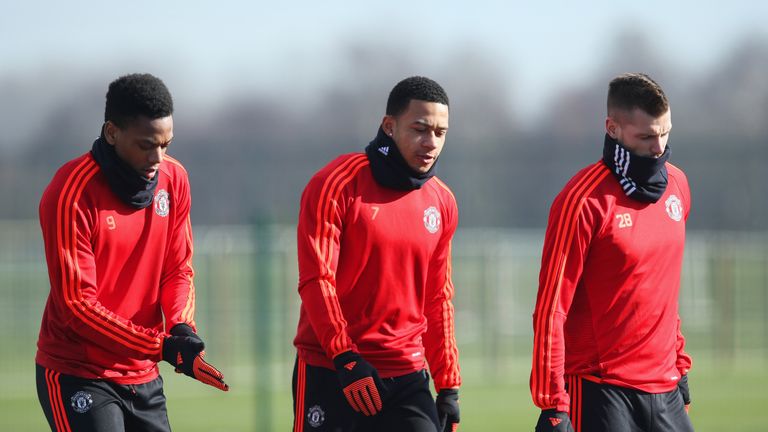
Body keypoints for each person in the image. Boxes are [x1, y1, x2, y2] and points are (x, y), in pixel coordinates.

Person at [35, 73, 228, 432]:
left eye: (166, 144)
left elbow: (178, 269)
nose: (158, 157)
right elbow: (79, 307)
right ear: (112, 133)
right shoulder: (70, 193)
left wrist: (181, 326)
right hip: (78, 373)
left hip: (143, 373)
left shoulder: (175, 179)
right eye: (146, 145)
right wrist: (161, 346)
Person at [292, 76, 461, 432]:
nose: (430, 142)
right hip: (334, 370)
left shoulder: (442, 201)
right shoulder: (337, 183)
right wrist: (346, 358)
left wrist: (448, 384)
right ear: (389, 125)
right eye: (420, 128)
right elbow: (316, 280)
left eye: (440, 133)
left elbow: (438, 297)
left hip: (407, 374)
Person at [530, 73, 694, 432]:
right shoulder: (582, 200)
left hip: (666, 390)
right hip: (601, 391)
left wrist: (679, 365)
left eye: (665, 133)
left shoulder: (678, 187)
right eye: (646, 136)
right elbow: (551, 309)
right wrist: (552, 403)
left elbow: (664, 290)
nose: (659, 147)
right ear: (613, 127)